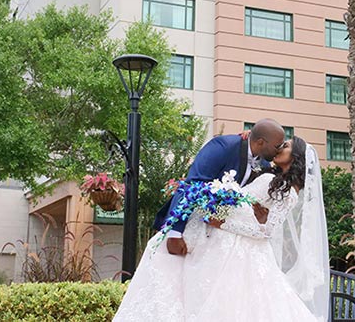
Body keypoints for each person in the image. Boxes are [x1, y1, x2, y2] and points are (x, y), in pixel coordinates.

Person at [113, 119, 287, 321]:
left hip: (216, 236)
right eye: (277, 145)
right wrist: (175, 232)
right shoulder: (222, 147)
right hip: (189, 226)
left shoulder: (264, 163)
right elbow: (192, 184)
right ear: (260, 142)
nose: (279, 149)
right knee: (164, 282)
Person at [181, 136, 330, 321]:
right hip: (227, 240)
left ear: (296, 157)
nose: (280, 147)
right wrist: (247, 137)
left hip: (243, 246)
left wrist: (224, 224)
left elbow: (266, 231)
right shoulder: (272, 177)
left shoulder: (289, 192)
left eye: (286, 146)